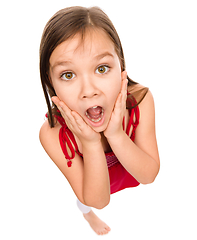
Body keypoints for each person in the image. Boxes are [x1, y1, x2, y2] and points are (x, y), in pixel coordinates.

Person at [39, 6, 160, 235]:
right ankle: (87, 216)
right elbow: (98, 199)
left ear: (120, 65)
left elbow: (148, 175)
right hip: (91, 186)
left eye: (102, 68)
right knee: (84, 201)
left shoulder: (140, 100)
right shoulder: (54, 133)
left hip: (131, 170)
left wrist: (116, 134)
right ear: (51, 81)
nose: (89, 90)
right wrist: (91, 143)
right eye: (68, 75)